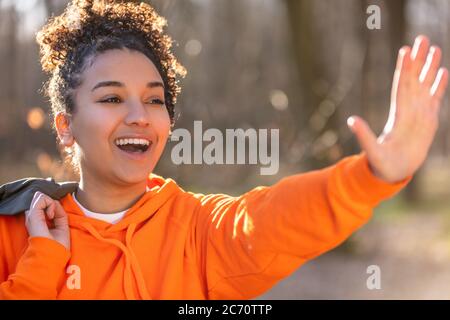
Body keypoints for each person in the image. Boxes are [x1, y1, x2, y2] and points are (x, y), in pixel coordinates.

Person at [0, 0, 447, 299]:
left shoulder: (197, 228)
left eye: (155, 99)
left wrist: (371, 176)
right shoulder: (16, 229)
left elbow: (269, 221)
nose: (140, 115)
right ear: (65, 126)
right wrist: (45, 262)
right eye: (112, 98)